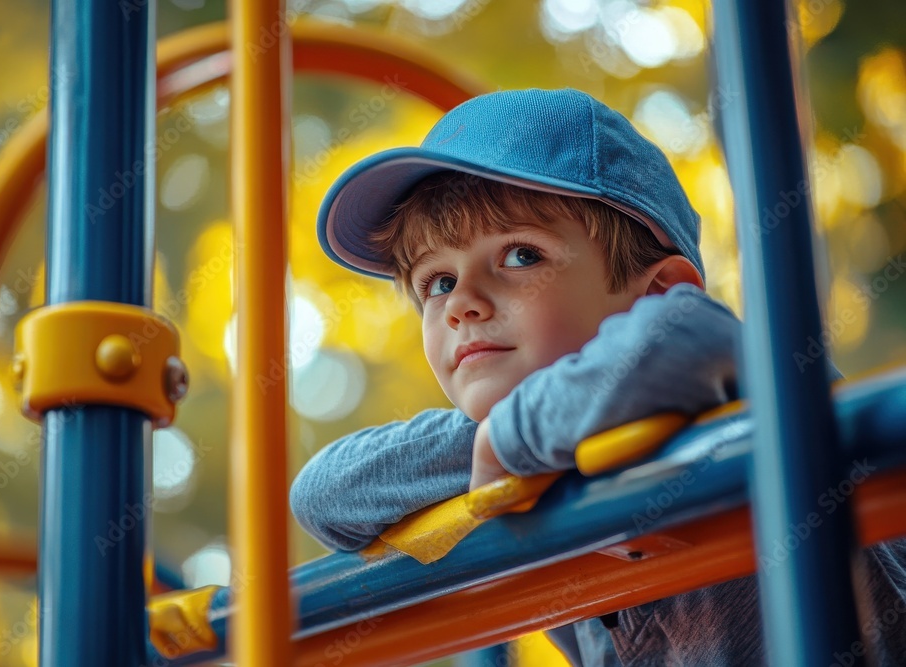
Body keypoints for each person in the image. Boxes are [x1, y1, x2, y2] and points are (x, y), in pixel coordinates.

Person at [289, 88, 906, 666]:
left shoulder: (724, 381)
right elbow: (325, 497)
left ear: (654, 292)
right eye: (437, 282)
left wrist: (512, 439)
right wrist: (496, 442)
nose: (460, 302)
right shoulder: (520, 466)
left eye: (519, 255)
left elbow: (687, 333)